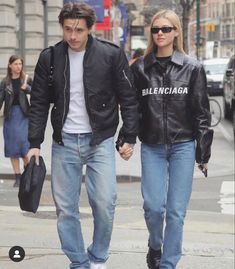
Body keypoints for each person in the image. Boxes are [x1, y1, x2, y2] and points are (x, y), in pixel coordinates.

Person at [27, 3, 138, 269]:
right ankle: (79, 263)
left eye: (78, 30)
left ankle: (98, 256)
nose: (72, 36)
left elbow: (128, 98)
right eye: (67, 29)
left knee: (104, 203)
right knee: (66, 210)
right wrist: (34, 143)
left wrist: (129, 136)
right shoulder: (50, 57)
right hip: (64, 143)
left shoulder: (110, 55)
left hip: (99, 141)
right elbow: (40, 102)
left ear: (90, 28)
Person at [131, 10, 213, 269]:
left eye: (166, 29)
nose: (160, 34)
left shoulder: (192, 68)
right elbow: (132, 109)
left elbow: (201, 112)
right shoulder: (141, 69)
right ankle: (155, 245)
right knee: (154, 208)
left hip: (183, 146)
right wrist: (127, 138)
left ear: (176, 32)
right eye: (155, 29)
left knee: (176, 213)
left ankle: (168, 264)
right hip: (152, 145)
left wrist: (203, 152)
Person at [0, 55, 32, 187]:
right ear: (10, 65)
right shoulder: (5, 82)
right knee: (13, 148)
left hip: (24, 116)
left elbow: (38, 94)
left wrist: (27, 88)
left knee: (25, 147)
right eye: (16, 64)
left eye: (20, 64)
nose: (19, 67)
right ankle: (17, 177)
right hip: (10, 116)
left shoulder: (26, 79)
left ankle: (27, 174)